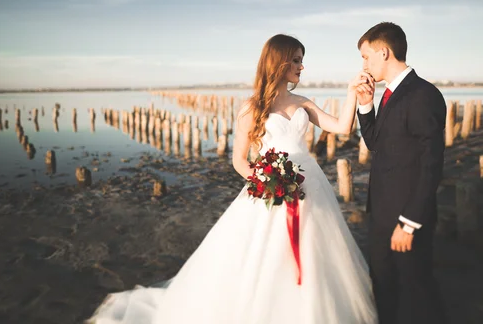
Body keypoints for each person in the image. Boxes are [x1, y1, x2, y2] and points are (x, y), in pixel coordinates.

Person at [87, 34, 378, 324]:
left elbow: (341, 127)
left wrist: (353, 92)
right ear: (279, 62)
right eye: (297, 60)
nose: (302, 67)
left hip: (309, 187)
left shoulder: (303, 103)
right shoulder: (252, 108)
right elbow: (239, 160)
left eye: (302, 61)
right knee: (265, 256)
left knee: (315, 251)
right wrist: (267, 183)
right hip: (271, 191)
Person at [355, 22, 448, 324]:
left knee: (417, 293)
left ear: (384, 52)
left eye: (366, 57)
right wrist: (366, 105)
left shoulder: (422, 94)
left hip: (406, 219)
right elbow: (376, 144)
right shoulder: (389, 94)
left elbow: (430, 165)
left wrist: (408, 224)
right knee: (385, 289)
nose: (364, 64)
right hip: (382, 215)